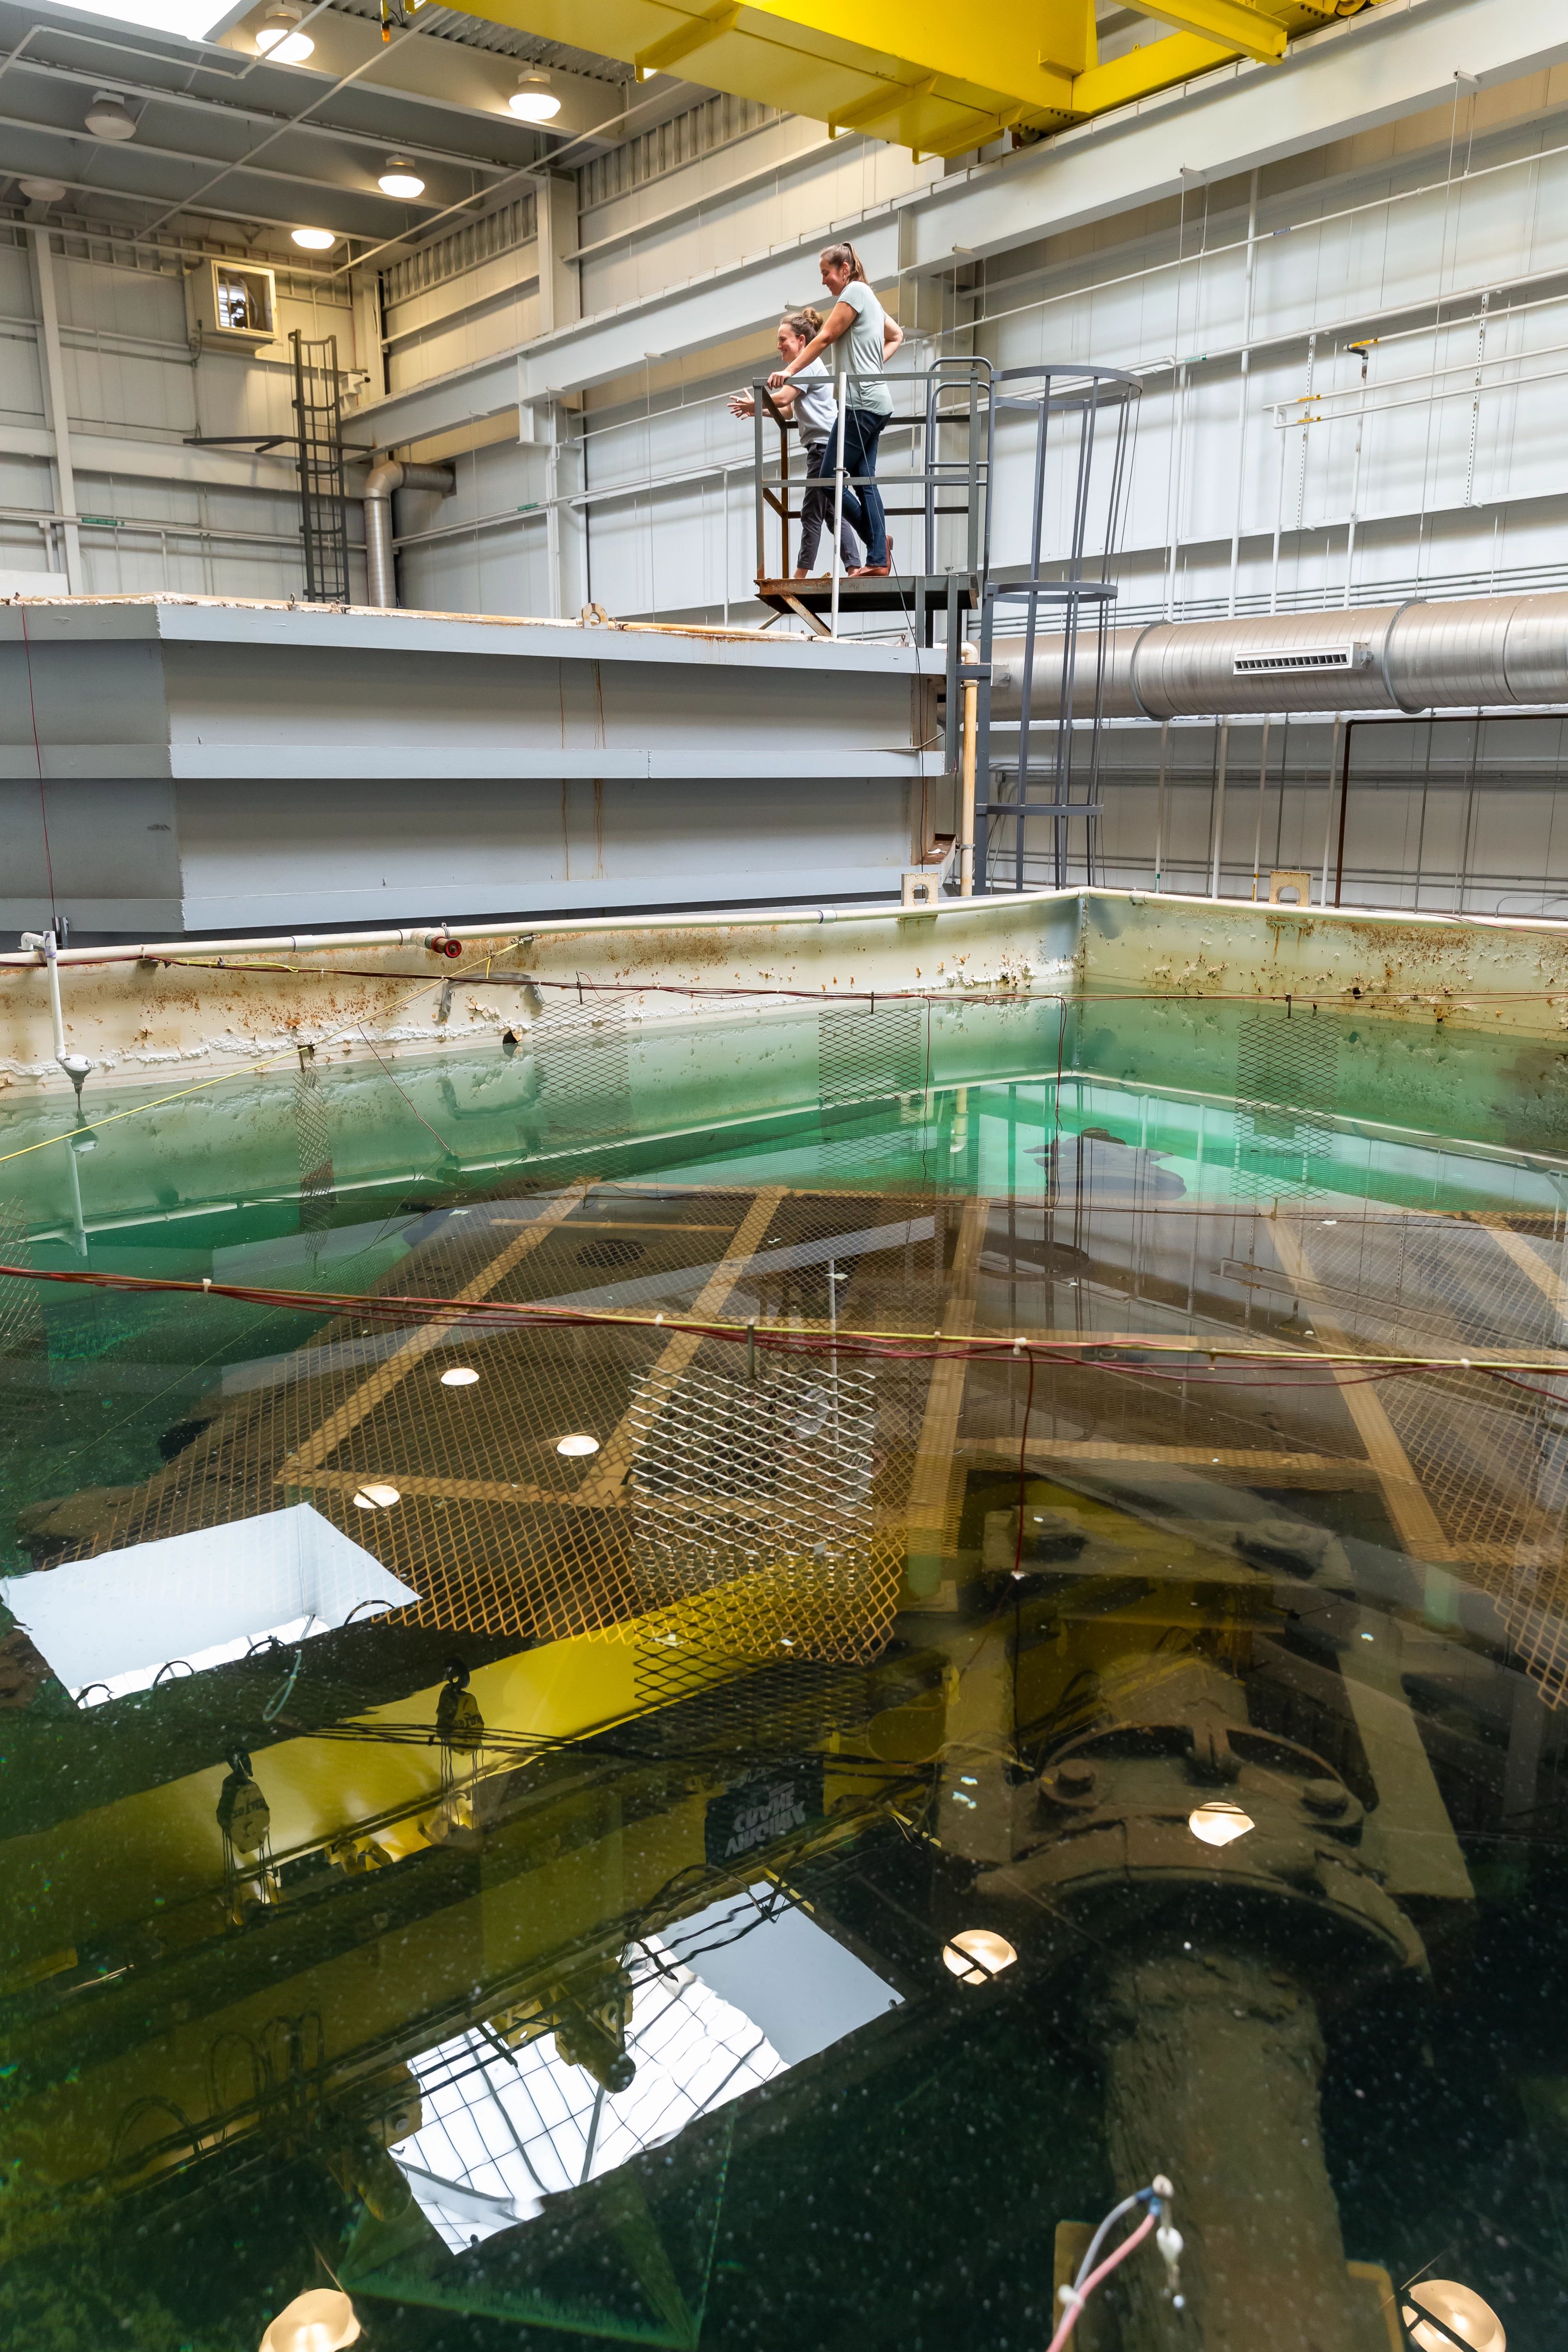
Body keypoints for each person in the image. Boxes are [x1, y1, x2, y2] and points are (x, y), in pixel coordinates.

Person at [767, 242, 903, 577]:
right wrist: (871, 368)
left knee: (829, 480)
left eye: (826, 274)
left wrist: (790, 370)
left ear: (844, 269)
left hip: (860, 406)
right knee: (864, 483)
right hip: (874, 403)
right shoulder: (868, 296)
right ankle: (877, 554)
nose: (824, 282)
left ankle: (876, 547)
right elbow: (896, 335)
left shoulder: (855, 292)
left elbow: (826, 337)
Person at [730, 311, 861, 578]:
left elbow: (782, 399)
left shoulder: (808, 365)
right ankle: (854, 566)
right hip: (827, 446)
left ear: (801, 341)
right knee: (833, 513)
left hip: (823, 448)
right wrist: (758, 411)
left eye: (783, 340)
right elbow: (789, 411)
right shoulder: (807, 368)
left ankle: (800, 576)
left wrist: (756, 404)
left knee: (811, 512)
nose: (779, 346)